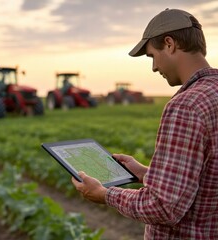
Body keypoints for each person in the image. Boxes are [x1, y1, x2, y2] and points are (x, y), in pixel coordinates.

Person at [72, 8, 218, 239]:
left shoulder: (186, 106)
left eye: (152, 56)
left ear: (169, 44)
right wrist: (145, 173)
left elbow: (163, 206)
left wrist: (104, 193)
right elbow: (207, 181)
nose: (154, 67)